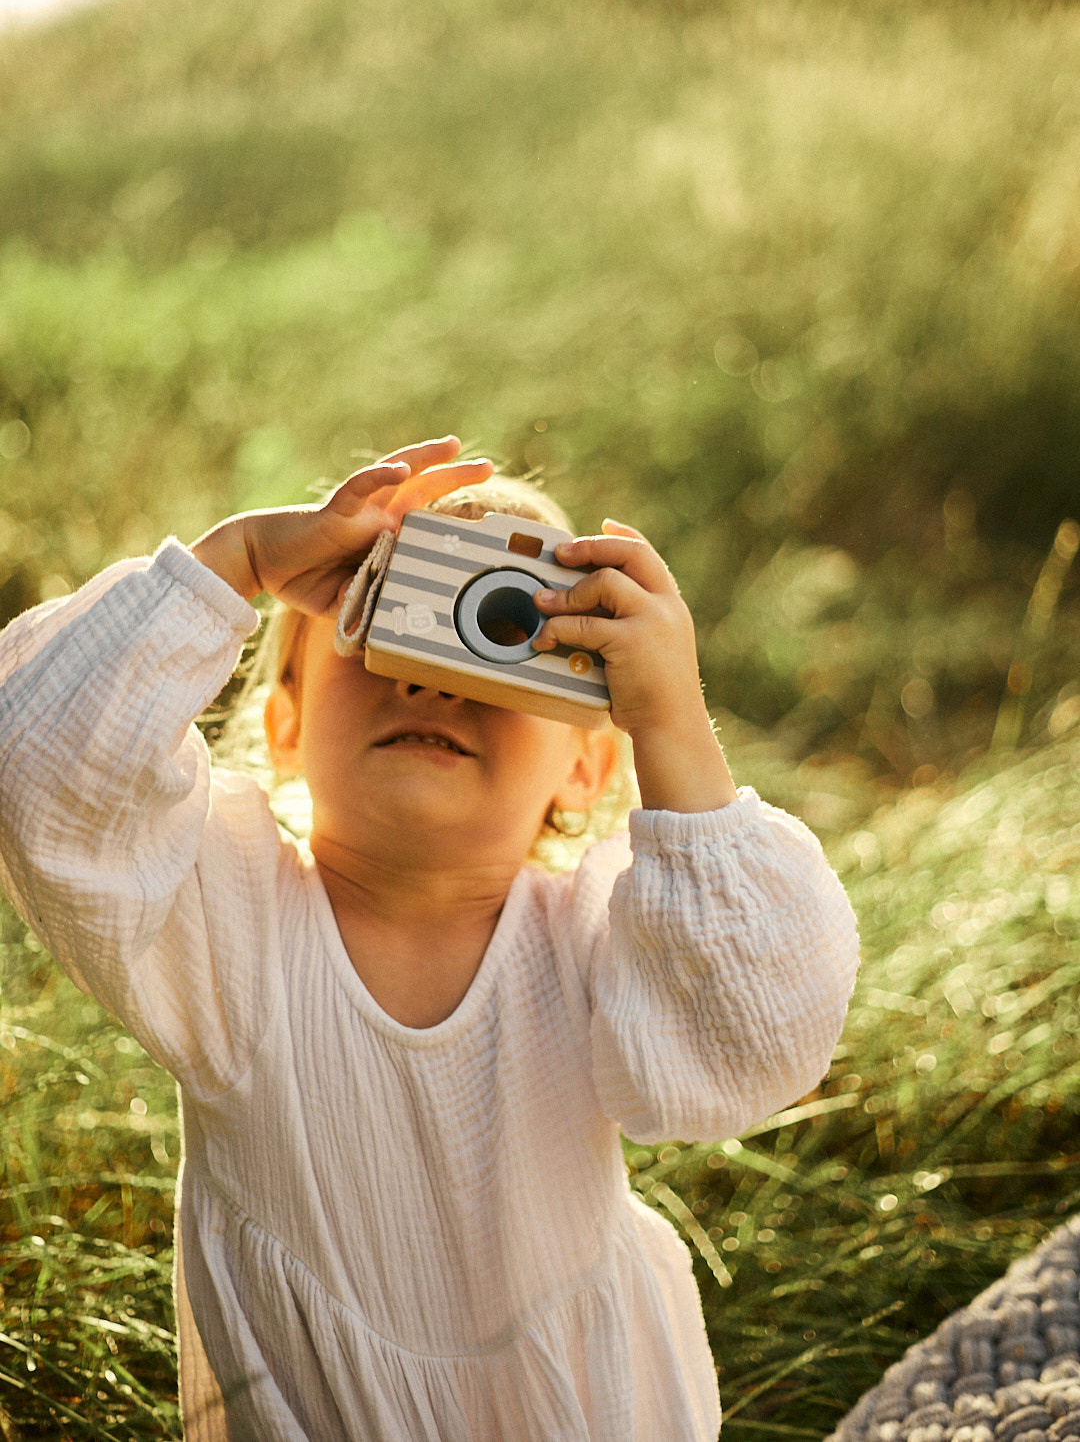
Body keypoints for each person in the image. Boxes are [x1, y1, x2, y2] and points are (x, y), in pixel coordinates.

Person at [0, 434, 859, 1442]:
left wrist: (675, 733)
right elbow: (38, 771)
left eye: (500, 635)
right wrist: (240, 564)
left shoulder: (597, 942)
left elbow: (758, 1042)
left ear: (587, 769)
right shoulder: (227, 927)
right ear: (283, 725)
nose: (434, 682)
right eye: (386, 628)